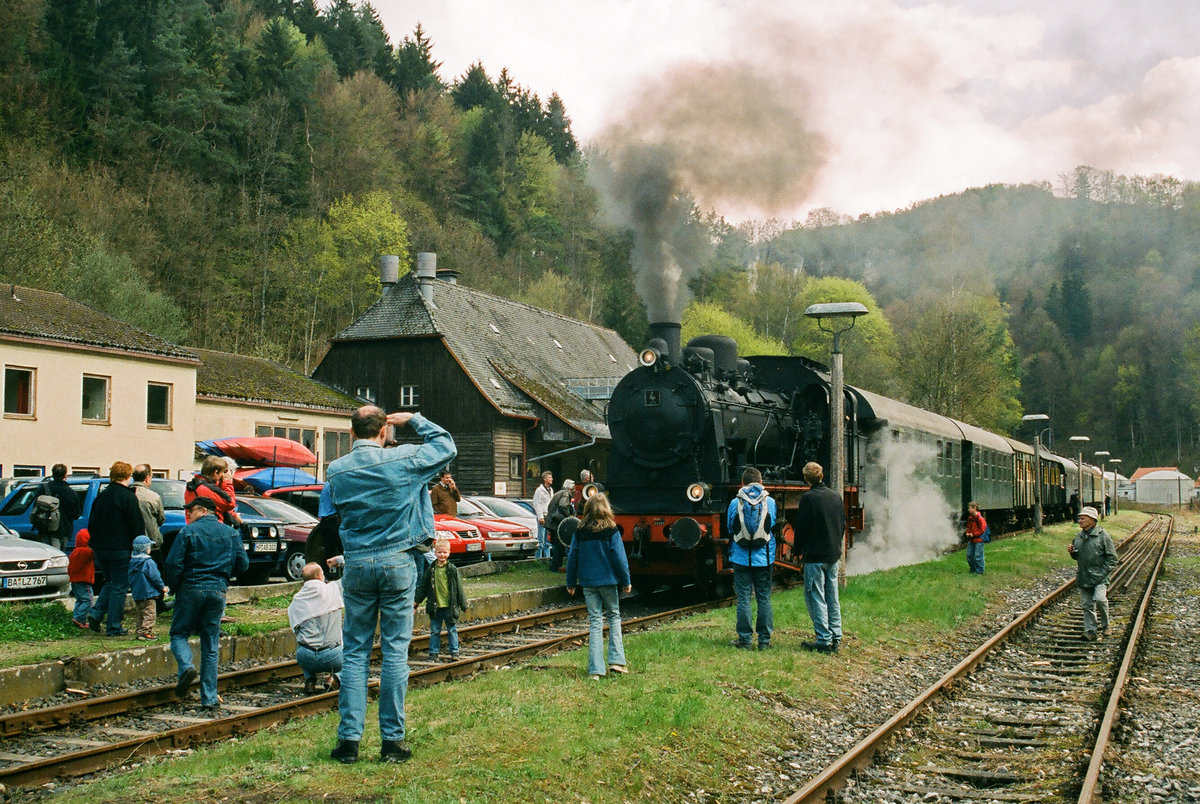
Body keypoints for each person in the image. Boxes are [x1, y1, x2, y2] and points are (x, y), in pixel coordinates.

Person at [323, 406, 456, 765]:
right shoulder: (404, 460)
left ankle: (348, 742)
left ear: (351, 434)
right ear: (383, 431)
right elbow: (446, 445)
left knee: (354, 653)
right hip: (398, 561)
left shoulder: (336, 470)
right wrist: (413, 420)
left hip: (358, 564)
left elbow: (331, 514)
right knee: (395, 652)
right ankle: (392, 743)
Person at [165, 496, 248, 711]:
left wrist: (174, 587)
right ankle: (209, 698)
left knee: (179, 634)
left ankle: (186, 667)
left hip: (190, 588)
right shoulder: (231, 533)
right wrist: (224, 577)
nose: (188, 515)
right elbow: (243, 564)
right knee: (210, 644)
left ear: (203, 510)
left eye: (190, 511)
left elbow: (173, 563)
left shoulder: (188, 532)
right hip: (217, 590)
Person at [565, 493, 630, 679]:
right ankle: (617, 662)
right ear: (606, 508)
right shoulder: (612, 530)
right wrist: (626, 581)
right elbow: (619, 558)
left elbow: (572, 558)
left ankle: (595, 670)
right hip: (609, 581)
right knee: (614, 617)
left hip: (588, 583)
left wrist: (570, 583)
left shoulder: (580, 531)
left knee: (595, 622)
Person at [87, 461, 144, 637]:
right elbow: (136, 525)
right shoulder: (128, 497)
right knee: (120, 585)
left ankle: (96, 614)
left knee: (111, 582)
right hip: (120, 547)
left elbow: (92, 523)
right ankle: (113, 625)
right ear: (128, 476)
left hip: (100, 547)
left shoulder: (101, 496)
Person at [795, 461, 845, 654]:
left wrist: (798, 549)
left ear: (807, 479)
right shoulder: (835, 496)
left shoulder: (808, 499)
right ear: (822, 476)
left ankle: (824, 639)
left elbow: (801, 528)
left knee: (816, 595)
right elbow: (841, 523)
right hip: (832, 553)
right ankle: (836, 635)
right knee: (832, 595)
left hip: (815, 555)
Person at [726, 467, 777, 651]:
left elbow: (730, 529)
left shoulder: (735, 502)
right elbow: (772, 527)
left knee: (744, 598)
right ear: (760, 481)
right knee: (764, 598)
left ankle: (745, 640)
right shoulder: (770, 501)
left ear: (743, 482)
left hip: (740, 558)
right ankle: (764, 641)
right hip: (764, 558)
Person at [288, 562, 344, 695]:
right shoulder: (333, 590)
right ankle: (335, 678)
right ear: (320, 576)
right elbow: (351, 574)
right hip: (332, 657)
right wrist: (340, 561)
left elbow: (296, 631)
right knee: (356, 655)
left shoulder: (297, 600)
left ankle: (310, 681)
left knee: (302, 644)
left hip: (305, 658)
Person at [1067, 506, 1118, 642]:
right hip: (1084, 576)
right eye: (1079, 518)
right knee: (1087, 605)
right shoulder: (1078, 537)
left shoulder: (1103, 536)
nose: (1080, 520)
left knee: (1100, 599)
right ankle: (1090, 631)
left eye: (1083, 518)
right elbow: (1077, 557)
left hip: (1100, 576)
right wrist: (1073, 553)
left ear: (1092, 520)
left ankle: (1106, 626)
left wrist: (1103, 573)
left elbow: (1112, 558)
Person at [414, 538, 468, 662]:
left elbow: (458, 588)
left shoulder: (452, 569)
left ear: (449, 553)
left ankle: (454, 652)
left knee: (452, 630)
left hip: (449, 606)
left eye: (444, 553)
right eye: (439, 552)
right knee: (435, 631)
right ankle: (433, 653)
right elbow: (423, 588)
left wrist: (463, 604)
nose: (442, 555)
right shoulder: (431, 570)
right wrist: (416, 603)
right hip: (435, 606)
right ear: (435, 553)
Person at [185, 456, 243, 528]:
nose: (222, 475)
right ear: (216, 472)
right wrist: (227, 482)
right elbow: (229, 503)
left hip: (195, 527)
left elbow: (218, 504)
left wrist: (234, 515)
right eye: (222, 472)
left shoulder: (194, 486)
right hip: (211, 529)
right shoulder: (206, 488)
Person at [129, 535, 167, 641]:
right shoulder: (148, 563)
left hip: (137, 593)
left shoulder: (132, 562)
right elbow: (155, 577)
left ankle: (139, 631)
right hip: (148, 593)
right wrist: (162, 587)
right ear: (146, 549)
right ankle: (145, 632)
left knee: (140, 613)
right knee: (150, 613)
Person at [35, 463, 81, 550]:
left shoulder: (43, 489)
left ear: (52, 474)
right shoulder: (71, 493)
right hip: (63, 531)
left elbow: (36, 507)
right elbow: (76, 514)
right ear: (65, 475)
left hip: (44, 529)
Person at [132, 464, 166, 553]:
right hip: (151, 544)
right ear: (147, 478)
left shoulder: (125, 495)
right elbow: (161, 519)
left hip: (130, 543)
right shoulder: (154, 497)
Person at [545, 479, 577, 572]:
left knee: (556, 546)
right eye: (573, 488)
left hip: (553, 523)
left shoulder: (559, 493)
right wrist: (569, 517)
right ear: (569, 488)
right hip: (557, 524)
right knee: (559, 547)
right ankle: (555, 567)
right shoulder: (565, 494)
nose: (575, 490)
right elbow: (563, 506)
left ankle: (555, 566)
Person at [68, 528, 94, 629]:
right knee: (88, 600)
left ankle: (77, 618)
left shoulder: (74, 552)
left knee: (79, 600)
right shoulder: (85, 552)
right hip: (83, 580)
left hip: (75, 581)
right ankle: (80, 618)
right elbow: (94, 555)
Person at [532, 471, 554, 560]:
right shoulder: (539, 490)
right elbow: (537, 504)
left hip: (548, 516)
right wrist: (540, 517)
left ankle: (547, 558)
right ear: (545, 479)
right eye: (549, 477)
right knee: (541, 540)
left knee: (547, 540)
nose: (551, 479)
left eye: (551, 477)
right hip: (543, 516)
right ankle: (539, 559)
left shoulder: (551, 490)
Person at [964, 501, 987, 575]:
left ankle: (980, 571)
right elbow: (968, 527)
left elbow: (982, 529)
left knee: (978, 556)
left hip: (978, 540)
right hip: (971, 539)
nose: (968, 510)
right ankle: (973, 569)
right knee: (969, 556)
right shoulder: (970, 518)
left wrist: (973, 534)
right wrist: (967, 532)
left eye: (970, 508)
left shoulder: (980, 519)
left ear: (975, 508)